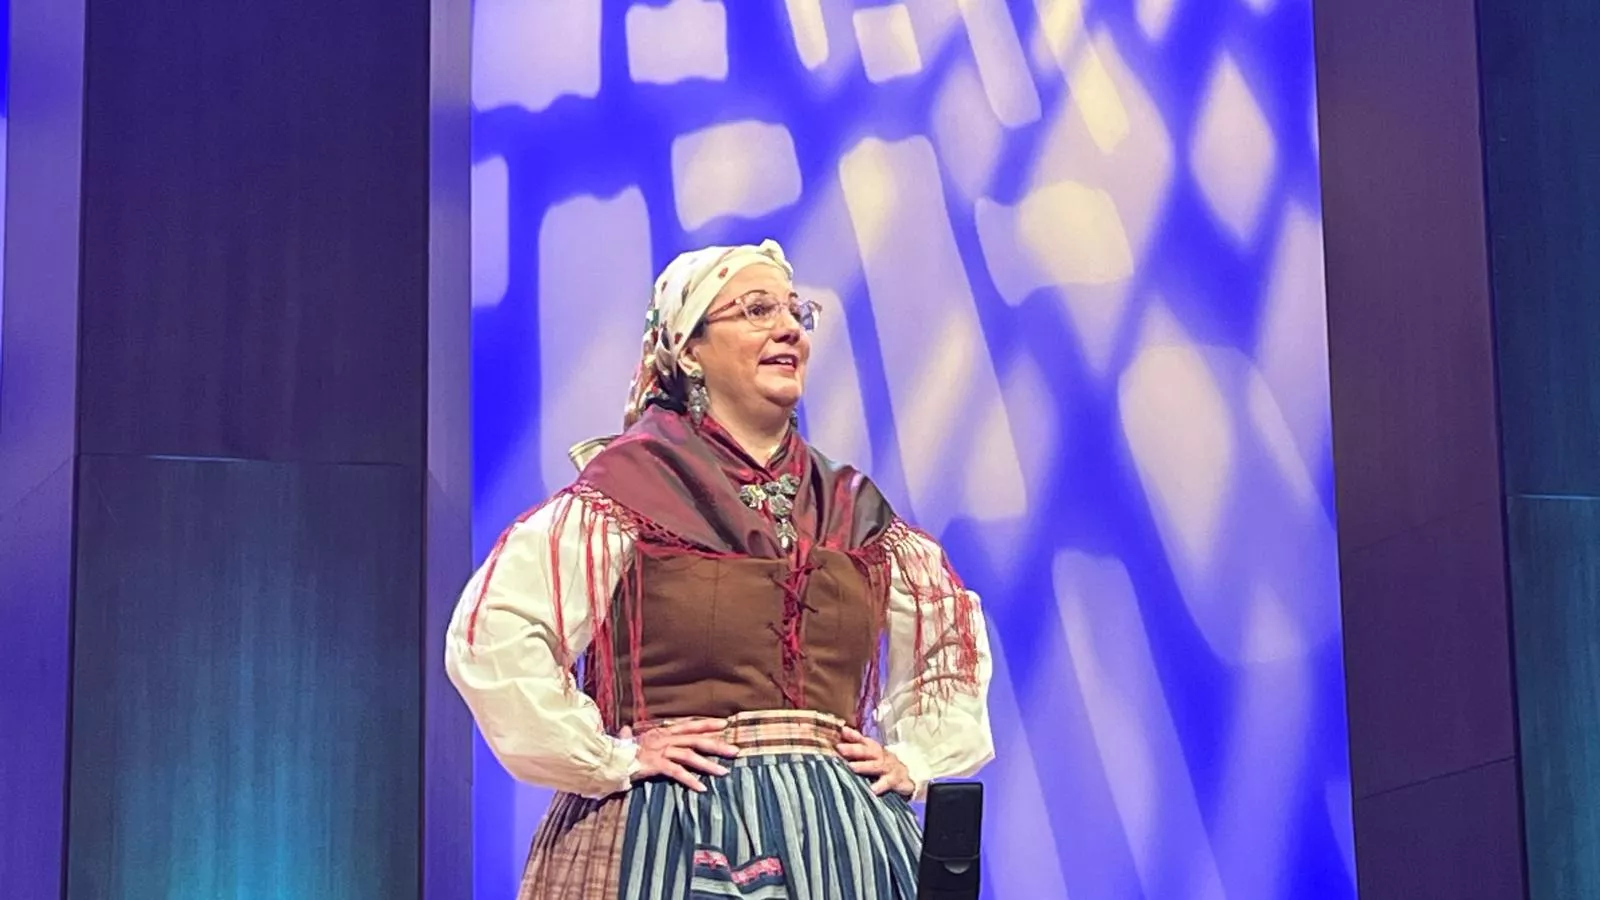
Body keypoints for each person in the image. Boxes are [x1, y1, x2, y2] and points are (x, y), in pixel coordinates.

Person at [445, 239, 994, 899]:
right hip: (669, 830)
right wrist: (612, 756)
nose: (788, 327)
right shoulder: (630, 489)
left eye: (796, 313)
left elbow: (949, 647)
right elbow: (494, 633)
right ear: (689, 348)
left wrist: (916, 760)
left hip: (840, 842)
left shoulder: (849, 506)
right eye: (756, 310)